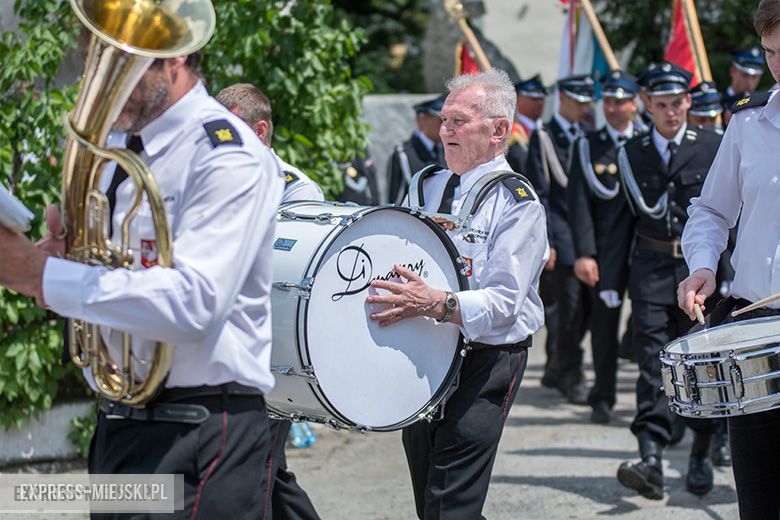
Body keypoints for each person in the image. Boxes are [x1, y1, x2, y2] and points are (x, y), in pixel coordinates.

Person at [0, 54, 285, 518]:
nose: (101, 81)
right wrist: (65, 262)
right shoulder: (120, 146)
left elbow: (195, 304)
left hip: (198, 435)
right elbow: (121, 270)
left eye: (120, 62)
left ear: (172, 53)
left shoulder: (226, 154)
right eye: (97, 59)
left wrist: (42, 276)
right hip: (120, 422)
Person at [366, 68, 547, 519]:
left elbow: (505, 303)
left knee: (449, 503)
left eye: (457, 121)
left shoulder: (517, 203)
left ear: (498, 130)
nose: (444, 130)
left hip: (488, 361)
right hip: (428, 355)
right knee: (431, 492)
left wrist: (437, 303)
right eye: (443, 120)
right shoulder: (427, 184)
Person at [598, 61, 722, 499]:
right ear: (647, 105)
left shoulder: (713, 145)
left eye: (678, 103)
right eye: (662, 105)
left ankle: (700, 453)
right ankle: (650, 456)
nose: (671, 113)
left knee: (701, 367)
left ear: (689, 101)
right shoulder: (631, 153)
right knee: (652, 367)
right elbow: (620, 222)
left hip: (701, 277)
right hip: (649, 271)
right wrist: (611, 279)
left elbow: (731, 216)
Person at [678, 2, 780, 516]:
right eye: (770, 53)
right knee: (759, 498)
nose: (778, 66)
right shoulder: (748, 121)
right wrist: (703, 265)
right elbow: (713, 209)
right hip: (756, 326)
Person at [216, 82, 322, 520]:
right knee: (265, 470)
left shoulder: (297, 192)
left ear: (260, 132)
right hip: (217, 347)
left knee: (259, 468)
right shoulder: (214, 180)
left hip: (267, 350)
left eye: (228, 131)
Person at [567, 70, 639, 424]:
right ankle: (603, 395)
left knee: (649, 327)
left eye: (620, 101)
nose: (613, 108)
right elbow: (578, 202)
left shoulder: (646, 140)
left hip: (641, 253)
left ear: (634, 103)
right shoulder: (587, 145)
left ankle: (655, 399)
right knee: (604, 328)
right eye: (607, 101)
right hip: (604, 254)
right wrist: (584, 252)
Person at [525, 73, 595, 405]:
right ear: (562, 99)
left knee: (586, 310)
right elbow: (540, 194)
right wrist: (547, 240)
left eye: (586, 102)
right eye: (578, 101)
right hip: (562, 235)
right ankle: (570, 373)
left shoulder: (590, 135)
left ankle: (556, 366)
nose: (583, 108)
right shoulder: (544, 137)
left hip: (590, 236)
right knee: (566, 312)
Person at [216, 83, 324, 203]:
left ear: (260, 131)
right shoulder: (213, 175)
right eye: (217, 128)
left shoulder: (297, 189)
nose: (219, 136)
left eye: (229, 128)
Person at [386, 94, 446, 205]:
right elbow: (396, 201)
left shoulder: (446, 150)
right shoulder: (404, 154)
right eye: (441, 121)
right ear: (421, 120)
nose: (445, 127)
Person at [506, 74, 547, 172]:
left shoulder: (546, 130)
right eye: (534, 99)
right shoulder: (513, 132)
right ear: (518, 99)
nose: (540, 103)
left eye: (542, 99)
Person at [722, 46, 765, 124]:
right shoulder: (719, 102)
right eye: (745, 75)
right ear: (733, 71)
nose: (749, 82)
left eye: (754, 77)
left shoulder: (763, 105)